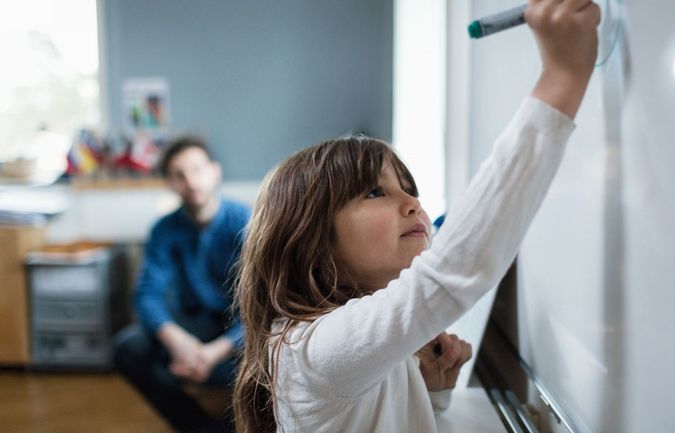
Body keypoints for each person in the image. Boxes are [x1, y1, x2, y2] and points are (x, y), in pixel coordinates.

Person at [233, 0, 600, 432]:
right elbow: (449, 274)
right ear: (312, 244)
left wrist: (431, 394)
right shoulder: (312, 351)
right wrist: (562, 78)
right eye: (375, 192)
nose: (413, 205)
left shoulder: (347, 345)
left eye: (411, 191)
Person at [113, 135, 251, 433]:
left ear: (215, 172)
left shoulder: (247, 223)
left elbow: (267, 306)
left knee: (279, 348)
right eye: (179, 174)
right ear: (169, 183)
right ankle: (199, 427)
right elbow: (147, 294)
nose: (190, 181)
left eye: (197, 170)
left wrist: (215, 352)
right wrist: (177, 340)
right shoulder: (164, 229)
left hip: (245, 332)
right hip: (195, 328)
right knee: (127, 347)